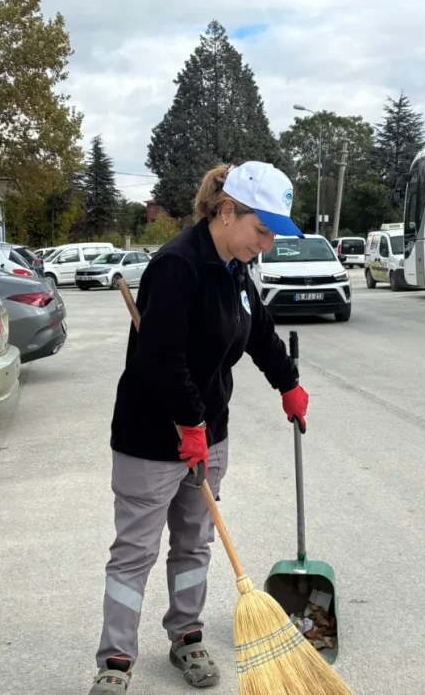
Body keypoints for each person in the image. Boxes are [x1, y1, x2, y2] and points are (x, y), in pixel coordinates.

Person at [88, 161, 312, 694]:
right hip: (150, 437)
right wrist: (190, 423)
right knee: (135, 552)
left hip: (209, 434)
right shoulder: (177, 266)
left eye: (274, 236)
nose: (267, 245)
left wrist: (288, 383)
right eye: (262, 231)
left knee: (194, 543)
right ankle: (115, 663)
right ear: (228, 210)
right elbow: (161, 361)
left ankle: (186, 636)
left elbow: (258, 333)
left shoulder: (236, 269)